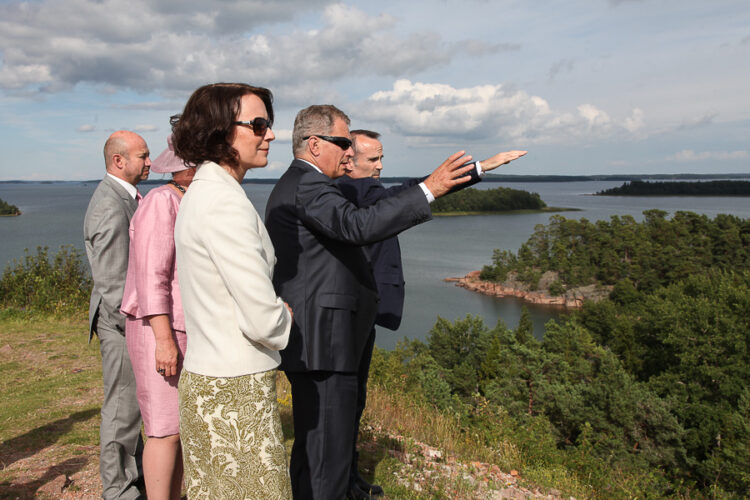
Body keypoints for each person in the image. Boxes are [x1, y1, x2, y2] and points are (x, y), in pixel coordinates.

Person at [264, 104, 479, 500]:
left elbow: (372, 207)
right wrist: (431, 188)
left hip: (321, 339)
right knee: (325, 458)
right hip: (324, 342)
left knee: (315, 451)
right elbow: (358, 225)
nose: (349, 152)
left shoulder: (301, 184)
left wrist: (462, 177)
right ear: (314, 144)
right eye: (343, 142)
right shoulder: (308, 186)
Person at [337, 129, 527, 499]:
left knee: (354, 400)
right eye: (372, 159)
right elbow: (408, 191)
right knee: (346, 401)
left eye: (381, 158)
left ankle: (348, 476)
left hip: (360, 311)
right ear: (348, 161)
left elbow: (409, 191)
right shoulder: (350, 192)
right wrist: (467, 173)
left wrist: (479, 169)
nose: (379, 166)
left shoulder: (365, 192)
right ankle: (340, 483)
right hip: (349, 313)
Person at [171, 82, 293, 500]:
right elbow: (262, 318)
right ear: (222, 131)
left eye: (268, 124)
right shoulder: (224, 203)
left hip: (209, 379)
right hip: (234, 389)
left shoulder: (202, 192)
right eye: (258, 125)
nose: (270, 134)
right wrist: (285, 317)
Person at [120, 135, 195, 500]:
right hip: (158, 328)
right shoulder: (160, 202)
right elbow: (152, 277)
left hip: (181, 327)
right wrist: (164, 340)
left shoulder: (185, 200)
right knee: (163, 428)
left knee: (178, 429)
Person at [84, 130, 150, 500]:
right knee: (122, 409)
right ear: (118, 161)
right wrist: (141, 330)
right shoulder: (111, 204)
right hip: (121, 324)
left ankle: (134, 476)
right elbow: (111, 283)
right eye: (143, 155)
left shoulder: (122, 196)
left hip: (125, 321)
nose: (150, 162)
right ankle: (119, 491)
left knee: (130, 407)